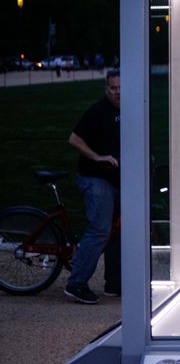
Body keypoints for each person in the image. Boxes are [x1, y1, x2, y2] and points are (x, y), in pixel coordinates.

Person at [64, 69, 121, 304]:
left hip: (118, 178)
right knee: (100, 229)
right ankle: (76, 284)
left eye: (121, 88)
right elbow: (74, 139)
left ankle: (114, 283)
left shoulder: (131, 109)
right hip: (95, 177)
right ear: (106, 89)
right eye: (113, 88)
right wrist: (97, 157)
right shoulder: (97, 112)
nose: (118, 92)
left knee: (120, 230)